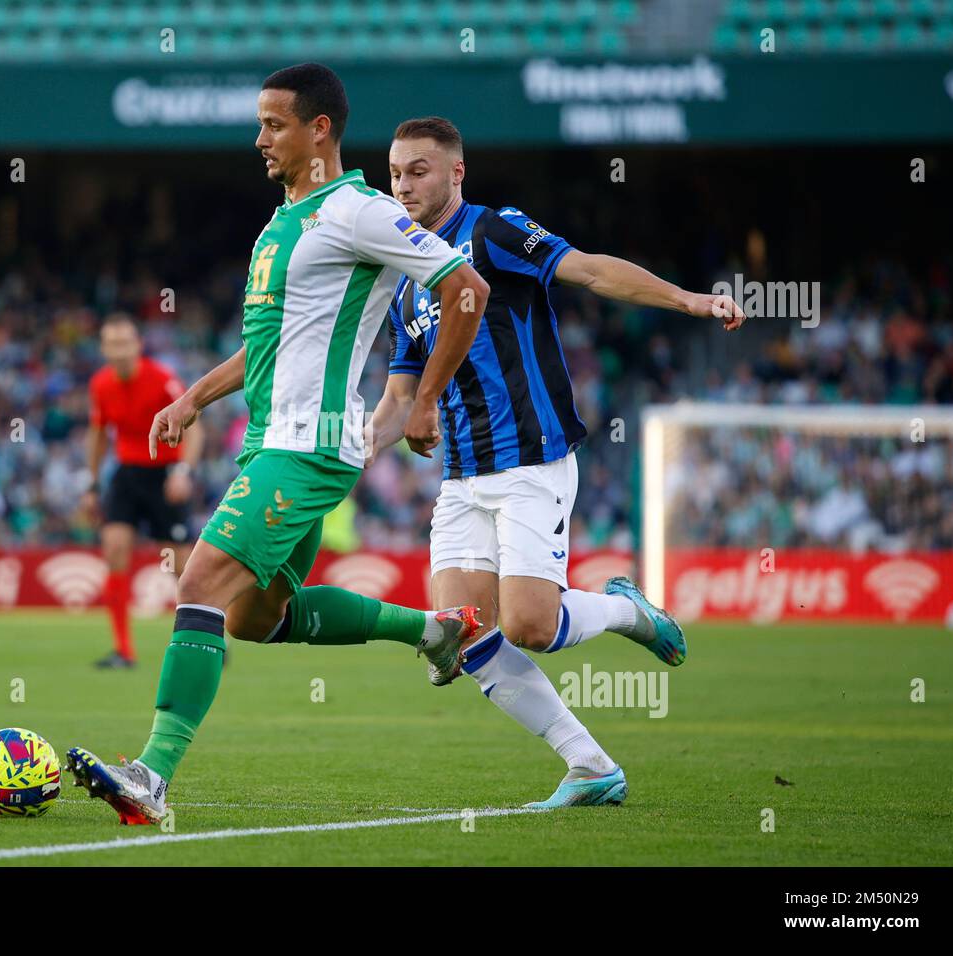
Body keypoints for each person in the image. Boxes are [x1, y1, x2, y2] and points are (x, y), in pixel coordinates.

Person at [65, 66, 492, 824]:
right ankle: (435, 633)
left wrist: (424, 399)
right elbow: (270, 344)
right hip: (272, 442)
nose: (259, 138)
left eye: (273, 124)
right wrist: (194, 396)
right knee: (254, 618)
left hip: (310, 445)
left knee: (198, 585)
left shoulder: (358, 211)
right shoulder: (283, 220)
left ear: (318, 129)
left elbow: (467, 288)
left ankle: (152, 777)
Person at [365, 116, 745, 809]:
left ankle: (627, 613)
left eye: (418, 170)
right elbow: (398, 399)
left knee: (531, 626)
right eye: (395, 173)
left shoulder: (494, 232)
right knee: (461, 638)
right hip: (461, 479)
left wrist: (688, 298)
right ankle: (590, 766)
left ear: (456, 173)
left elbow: (592, 270)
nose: (404, 184)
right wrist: (351, 450)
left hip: (531, 460)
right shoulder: (406, 281)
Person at [83, 312, 201, 668]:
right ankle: (124, 650)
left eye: (125, 343)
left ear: (138, 345)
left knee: (184, 567)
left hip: (165, 475)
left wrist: (182, 472)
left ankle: (208, 637)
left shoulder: (163, 380)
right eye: (112, 344)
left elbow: (194, 429)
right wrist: (91, 484)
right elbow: (98, 434)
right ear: (103, 348)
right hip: (127, 474)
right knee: (114, 549)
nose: (119, 351)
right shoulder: (101, 385)